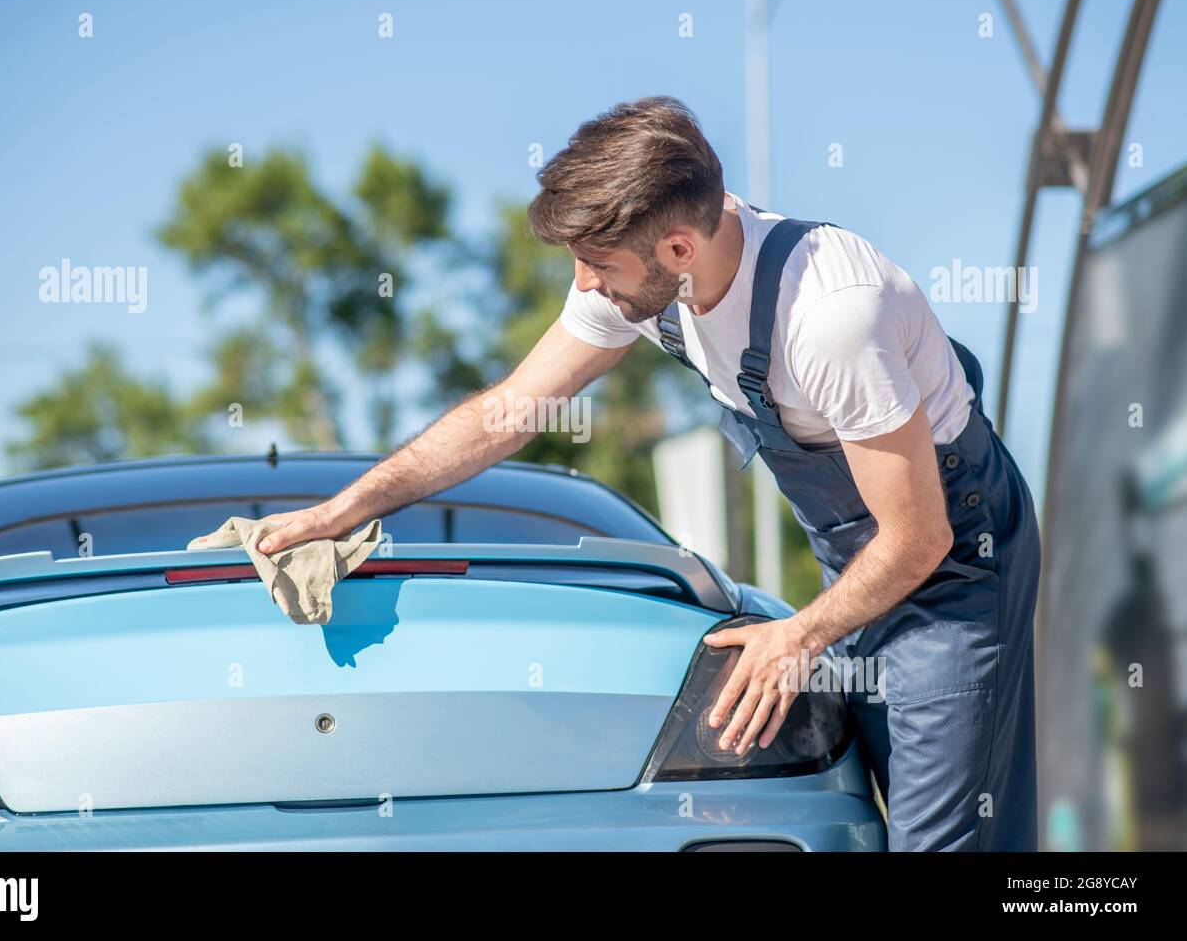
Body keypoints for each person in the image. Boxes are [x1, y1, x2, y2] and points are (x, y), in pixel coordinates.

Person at [253, 97, 1041, 851]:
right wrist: (343, 510)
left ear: (678, 250)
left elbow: (917, 536)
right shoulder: (651, 278)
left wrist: (797, 634)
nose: (586, 285)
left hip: (949, 566)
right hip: (859, 568)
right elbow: (509, 413)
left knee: (945, 839)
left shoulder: (832, 316)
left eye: (598, 266)